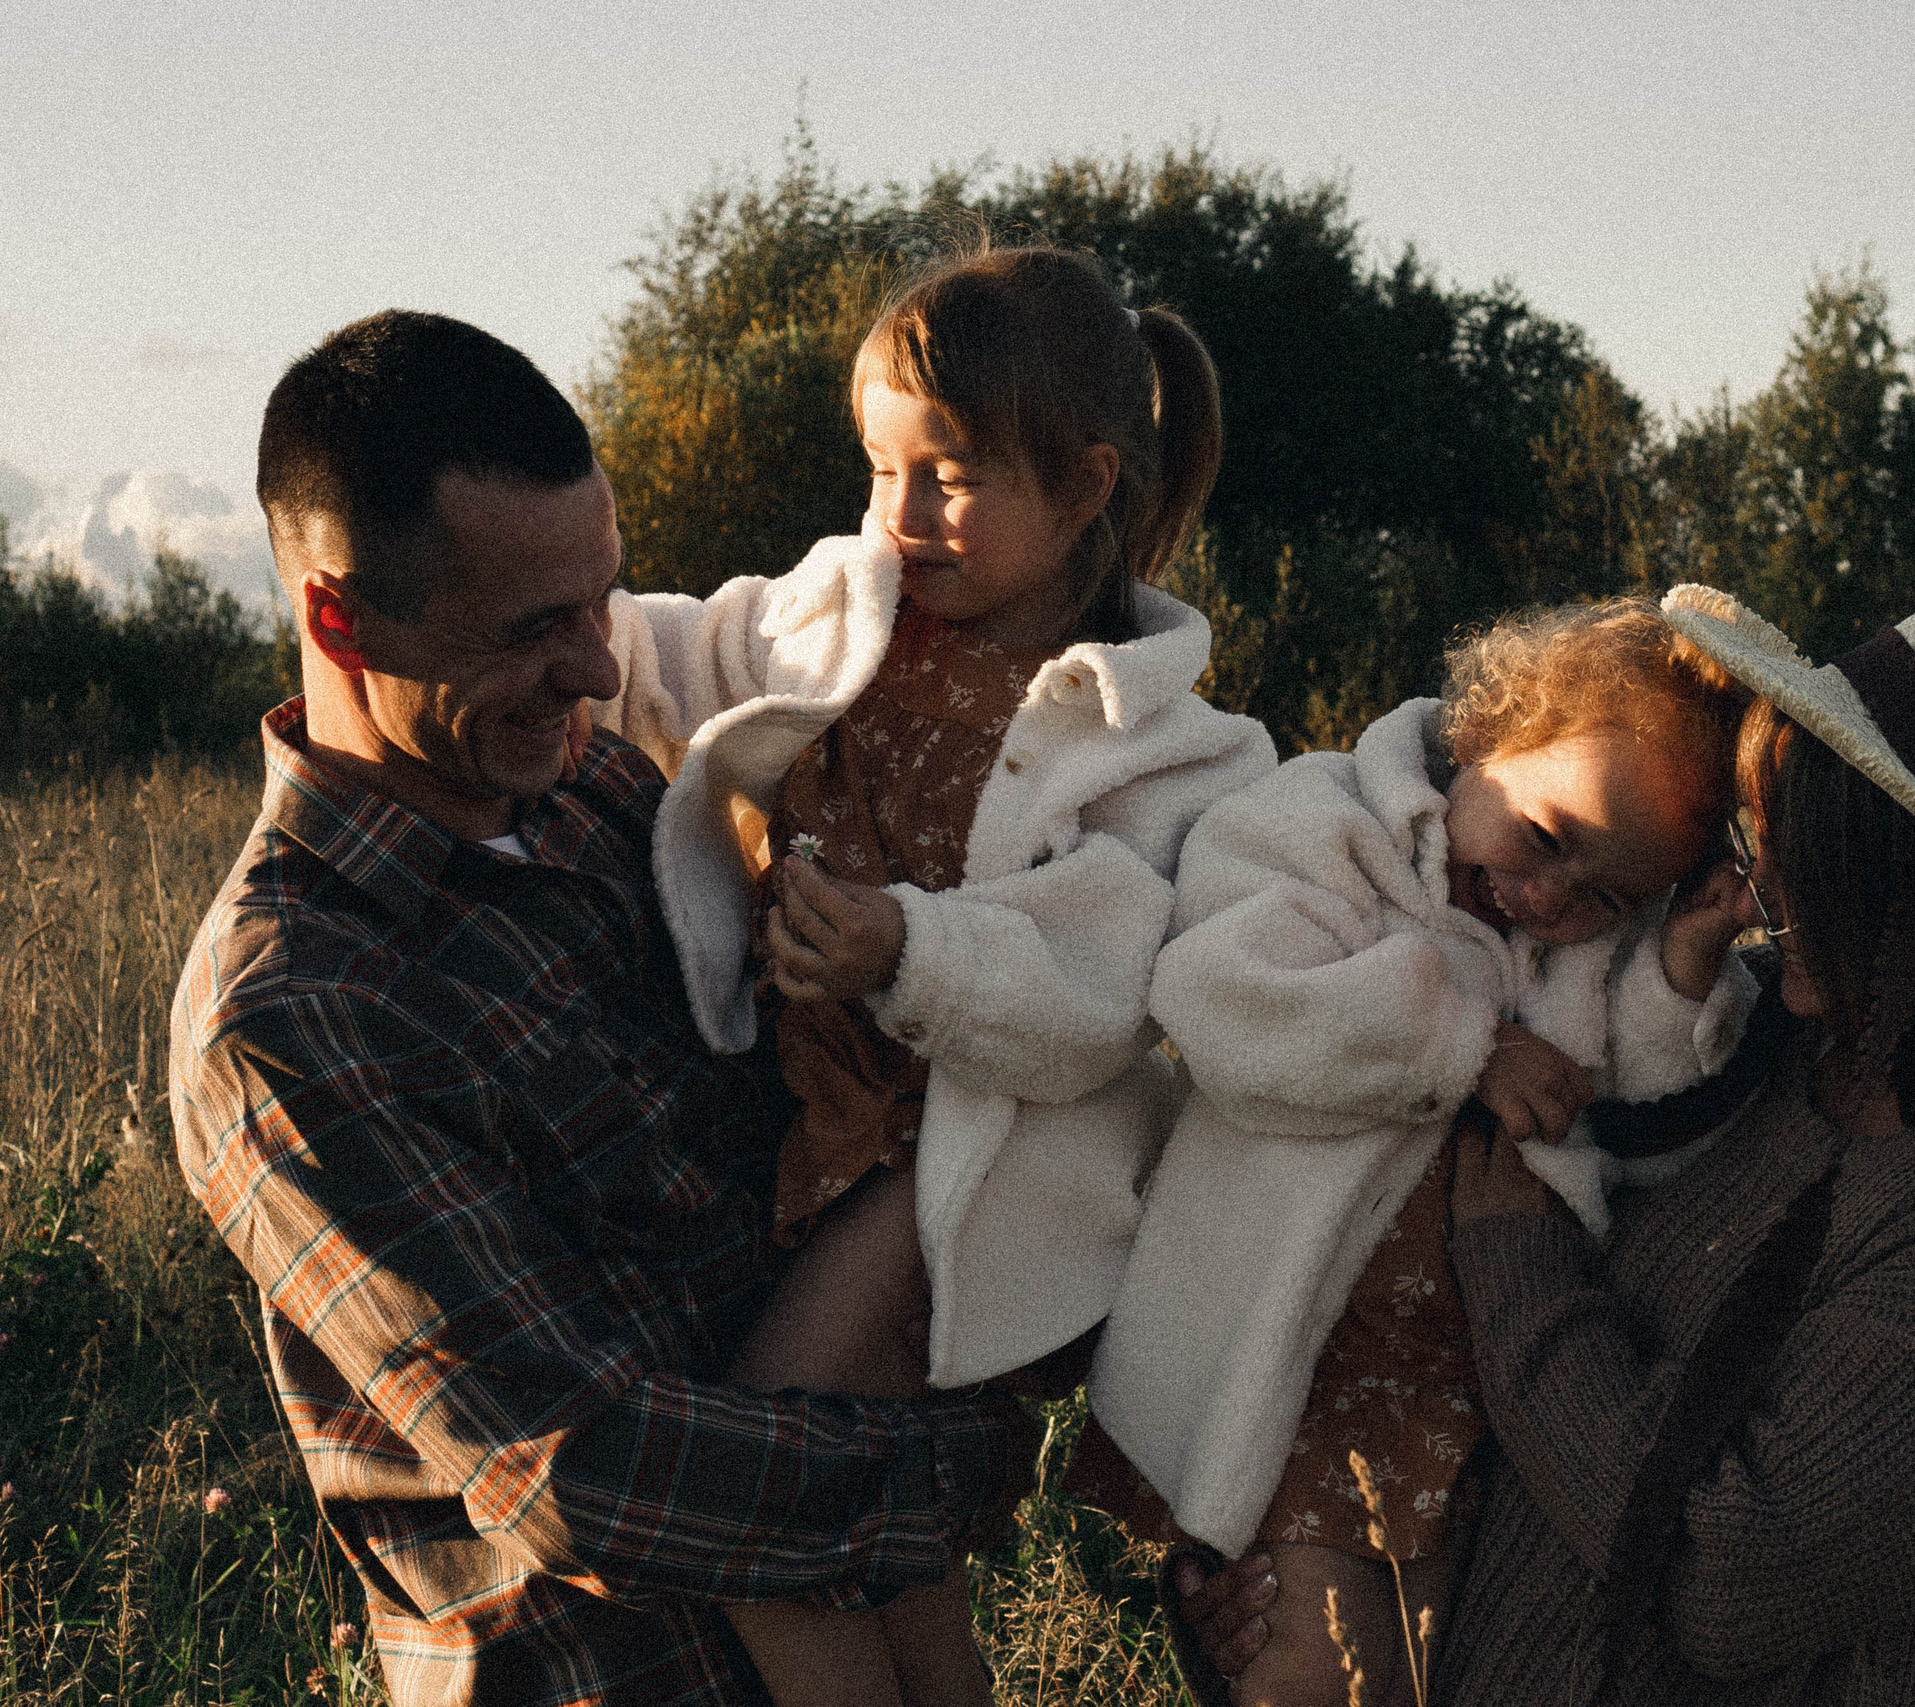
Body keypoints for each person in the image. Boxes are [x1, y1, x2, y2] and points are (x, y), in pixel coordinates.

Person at [1177, 585, 1915, 1704]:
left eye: (1798, 842)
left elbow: (1724, 1576)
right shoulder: (1773, 1045)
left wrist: (1514, 1266)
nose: (1755, 883)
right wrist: (1293, 1591)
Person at [172, 309, 1023, 1707]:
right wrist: (965, 1461)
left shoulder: (610, 802)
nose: (597, 665)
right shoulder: (293, 1007)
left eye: (601, 600)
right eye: (530, 630)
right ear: (340, 615)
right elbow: (586, 1470)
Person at [588, 245, 1276, 1706]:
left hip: (965, 1159)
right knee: (886, 1535)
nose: (900, 517)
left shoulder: (1158, 743)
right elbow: (667, 648)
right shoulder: (844, 613)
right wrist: (531, 617)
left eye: (950, 475)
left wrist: (908, 945)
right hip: (816, 1133)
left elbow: (1104, 989)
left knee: (756, 1459)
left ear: (1087, 486)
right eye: (879, 467)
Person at [1085, 600, 1768, 1707]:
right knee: (1309, 1676)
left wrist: (1682, 963)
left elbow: (1632, 1108)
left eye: (1607, 894)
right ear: (1490, 734)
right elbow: (1222, 997)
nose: (1547, 898)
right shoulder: (1321, 822)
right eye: (1542, 839)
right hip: (1302, 1353)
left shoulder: (1591, 955)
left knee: (1414, 1677)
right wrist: (1464, 1046)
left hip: (1465, 1393)